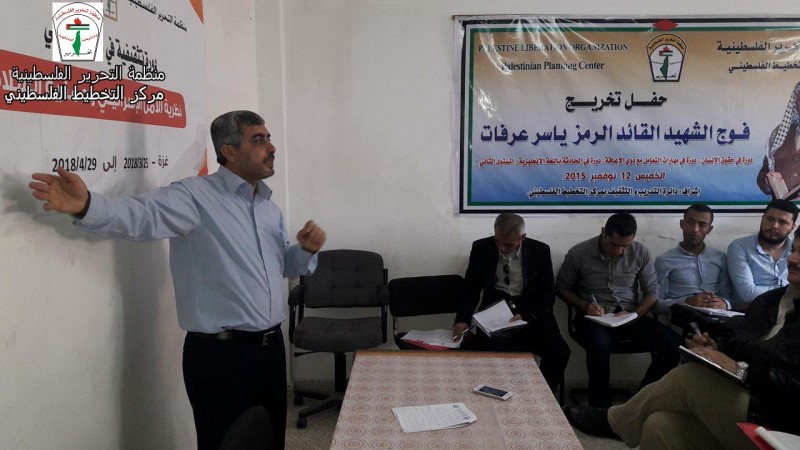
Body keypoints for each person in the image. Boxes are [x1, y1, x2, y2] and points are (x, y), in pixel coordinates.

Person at [28, 110, 326, 450]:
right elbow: (140, 214)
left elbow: (281, 265)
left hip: (271, 352)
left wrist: (305, 250)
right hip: (221, 357)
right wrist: (86, 206)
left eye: (269, 139)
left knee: (270, 440)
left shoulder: (268, 208)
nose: (271, 148)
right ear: (229, 151)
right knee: (226, 443)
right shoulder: (194, 196)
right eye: (259, 140)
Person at [564, 229, 800, 449]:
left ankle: (616, 422)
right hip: (745, 396)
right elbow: (743, 342)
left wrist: (742, 371)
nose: (793, 259)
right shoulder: (770, 301)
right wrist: (716, 350)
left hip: (781, 422)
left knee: (690, 376)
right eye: (794, 250)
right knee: (658, 424)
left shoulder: (641, 252)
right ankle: (629, 413)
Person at [556, 212, 681, 408]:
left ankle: (643, 400)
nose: (619, 251)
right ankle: (600, 408)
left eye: (625, 246)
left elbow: (652, 293)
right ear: (603, 232)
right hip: (593, 318)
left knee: (673, 343)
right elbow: (562, 288)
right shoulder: (579, 253)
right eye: (614, 244)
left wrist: (635, 314)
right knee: (600, 345)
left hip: (629, 316)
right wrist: (584, 305)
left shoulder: (640, 252)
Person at [452, 213, 570, 393]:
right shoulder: (481, 248)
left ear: (523, 237)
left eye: (508, 245)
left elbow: (547, 293)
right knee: (485, 352)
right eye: (498, 242)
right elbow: (471, 289)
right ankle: (493, 394)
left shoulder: (539, 251)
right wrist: (462, 320)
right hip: (495, 311)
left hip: (530, 312)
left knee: (559, 352)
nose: (502, 248)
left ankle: (543, 394)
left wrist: (526, 314)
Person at [654, 204, 733, 313]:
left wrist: (724, 304)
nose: (695, 229)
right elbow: (657, 305)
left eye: (702, 225)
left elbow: (729, 298)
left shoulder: (720, 258)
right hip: (684, 318)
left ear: (709, 229)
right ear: (682, 224)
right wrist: (686, 302)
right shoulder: (664, 261)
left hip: (717, 318)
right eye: (690, 222)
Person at [727, 199, 797, 307]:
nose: (774, 226)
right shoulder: (740, 247)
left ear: (793, 227)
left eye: (782, 222)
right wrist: (792, 291)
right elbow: (748, 294)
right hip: (751, 312)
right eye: (770, 219)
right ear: (762, 218)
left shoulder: (797, 249)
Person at [757, 80, 800, 200]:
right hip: (781, 208)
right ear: (795, 103)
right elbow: (764, 171)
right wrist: (767, 182)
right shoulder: (780, 133)